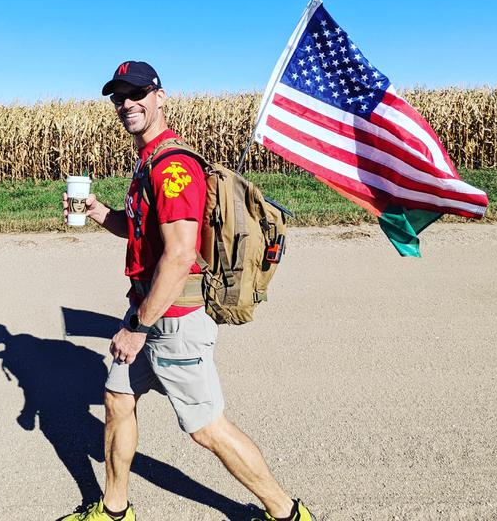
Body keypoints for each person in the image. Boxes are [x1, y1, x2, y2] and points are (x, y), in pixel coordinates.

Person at [60, 61, 316, 521]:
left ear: (160, 96)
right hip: (146, 307)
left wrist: (138, 328)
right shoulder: (149, 159)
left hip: (171, 318)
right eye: (118, 97)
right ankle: (115, 510)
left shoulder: (173, 166)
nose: (126, 104)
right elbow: (142, 232)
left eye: (137, 93)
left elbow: (179, 257)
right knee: (118, 399)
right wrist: (99, 211)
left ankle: (288, 513)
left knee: (206, 428)